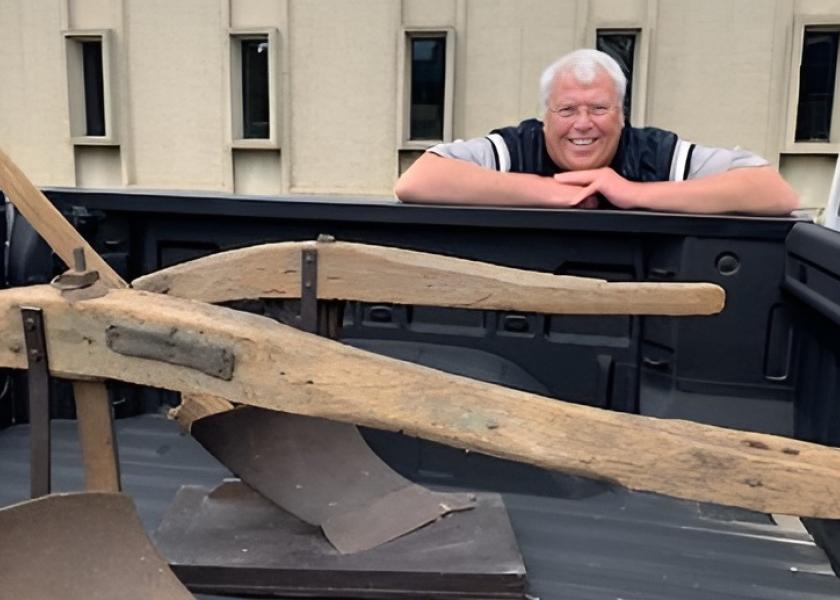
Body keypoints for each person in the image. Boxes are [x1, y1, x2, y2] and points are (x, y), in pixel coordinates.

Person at [394, 49, 799, 215]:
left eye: (599, 109)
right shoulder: (515, 147)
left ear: (622, 114)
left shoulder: (657, 153)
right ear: (546, 116)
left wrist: (631, 192)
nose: (583, 124)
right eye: (567, 109)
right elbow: (417, 181)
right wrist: (553, 192)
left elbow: (775, 193)